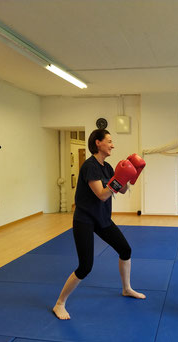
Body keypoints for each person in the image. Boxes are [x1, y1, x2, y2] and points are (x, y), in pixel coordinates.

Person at [53, 129, 146, 320]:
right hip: (85, 220)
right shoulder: (90, 166)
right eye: (109, 141)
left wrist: (130, 174)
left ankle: (126, 288)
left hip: (102, 219)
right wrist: (119, 179)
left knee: (125, 249)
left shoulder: (108, 167)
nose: (112, 145)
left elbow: (120, 190)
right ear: (98, 143)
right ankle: (59, 303)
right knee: (85, 266)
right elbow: (102, 195)